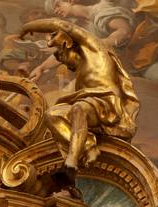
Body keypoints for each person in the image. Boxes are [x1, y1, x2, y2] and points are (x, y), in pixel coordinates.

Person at [20, 16, 139, 185]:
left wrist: (28, 26)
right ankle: (89, 146)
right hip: (90, 105)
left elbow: (63, 25)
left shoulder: (96, 52)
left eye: (62, 57)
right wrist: (41, 69)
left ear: (68, 46)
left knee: (79, 108)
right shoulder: (80, 78)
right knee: (53, 114)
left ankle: (72, 161)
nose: (66, 65)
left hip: (107, 103)